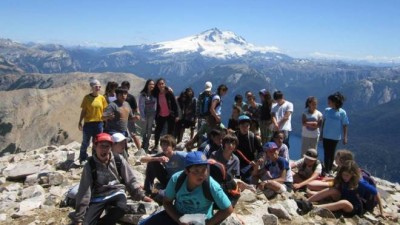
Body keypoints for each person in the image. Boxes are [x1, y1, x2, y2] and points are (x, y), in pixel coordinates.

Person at [72, 133, 152, 225]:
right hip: (98, 196)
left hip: (116, 192)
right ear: (95, 146)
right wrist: (79, 218)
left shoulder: (118, 159)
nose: (104, 149)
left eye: (107, 146)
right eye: (101, 146)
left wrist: (141, 195)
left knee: (121, 208)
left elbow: (130, 179)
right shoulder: (90, 165)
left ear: (111, 147)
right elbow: (84, 190)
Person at [139, 151, 233, 225]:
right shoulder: (177, 179)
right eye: (196, 171)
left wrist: (208, 223)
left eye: (204, 170)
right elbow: (167, 202)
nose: (200, 174)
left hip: (201, 222)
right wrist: (179, 219)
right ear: (186, 171)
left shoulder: (211, 185)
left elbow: (228, 209)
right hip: (179, 217)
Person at [306, 160, 377, 217]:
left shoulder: (360, 182)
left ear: (352, 175)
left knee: (344, 203)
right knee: (332, 190)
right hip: (344, 197)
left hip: (353, 207)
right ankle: (307, 202)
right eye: (343, 174)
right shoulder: (341, 179)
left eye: (347, 175)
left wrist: (382, 212)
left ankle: (313, 207)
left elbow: (376, 193)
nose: (344, 177)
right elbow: (334, 185)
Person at [78, 78, 108, 164]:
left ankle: (95, 158)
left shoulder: (102, 98)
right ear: (92, 87)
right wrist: (80, 121)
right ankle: (82, 158)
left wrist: (106, 119)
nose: (98, 88)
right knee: (85, 143)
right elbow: (83, 110)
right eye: (96, 86)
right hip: (88, 124)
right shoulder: (87, 98)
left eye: (99, 86)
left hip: (99, 123)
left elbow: (105, 110)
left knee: (97, 143)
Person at [321, 92, 349, 176]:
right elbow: (324, 122)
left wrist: (345, 137)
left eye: (329, 101)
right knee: (326, 152)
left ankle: (329, 169)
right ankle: (326, 169)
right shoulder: (327, 110)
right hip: (326, 135)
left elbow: (345, 124)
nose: (328, 103)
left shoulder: (342, 112)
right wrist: (322, 133)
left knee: (331, 153)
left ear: (335, 102)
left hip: (335, 136)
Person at [152, 78, 180, 152]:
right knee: (158, 131)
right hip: (161, 115)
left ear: (165, 84)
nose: (161, 85)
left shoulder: (169, 93)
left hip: (170, 115)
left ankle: (171, 146)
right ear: (157, 85)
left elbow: (174, 104)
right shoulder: (156, 93)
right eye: (159, 84)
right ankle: (156, 145)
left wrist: (177, 115)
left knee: (171, 131)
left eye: (162, 83)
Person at [234, 115, 262, 182]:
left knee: (247, 181)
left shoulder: (252, 137)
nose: (245, 128)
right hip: (234, 162)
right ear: (239, 126)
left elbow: (261, 150)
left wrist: (256, 160)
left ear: (249, 126)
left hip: (248, 163)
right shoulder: (234, 136)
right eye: (242, 125)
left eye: (247, 125)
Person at [121, 81, 142, 150]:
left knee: (133, 134)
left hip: (130, 118)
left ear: (128, 88)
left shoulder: (131, 97)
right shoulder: (119, 96)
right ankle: (123, 149)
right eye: (123, 87)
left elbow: (135, 108)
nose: (124, 88)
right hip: (120, 118)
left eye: (126, 87)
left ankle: (140, 149)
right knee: (122, 134)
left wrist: (135, 116)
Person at [138, 79, 157, 152]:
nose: (152, 86)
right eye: (150, 84)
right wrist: (142, 115)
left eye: (153, 84)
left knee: (149, 129)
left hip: (152, 114)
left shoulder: (155, 94)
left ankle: (147, 143)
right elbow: (141, 106)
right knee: (144, 129)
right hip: (145, 114)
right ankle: (144, 142)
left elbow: (156, 104)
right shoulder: (143, 94)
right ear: (147, 85)